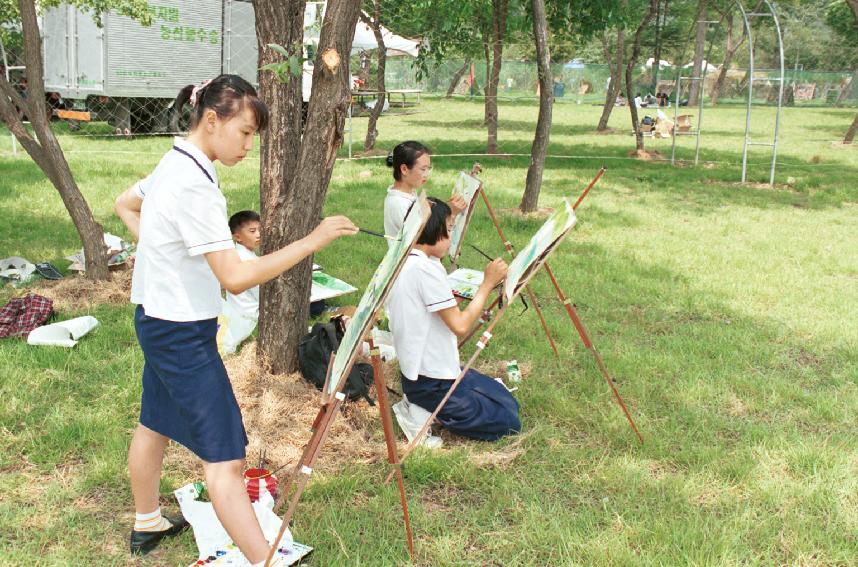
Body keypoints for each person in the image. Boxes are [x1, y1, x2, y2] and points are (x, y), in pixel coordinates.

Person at [114, 74, 357, 564]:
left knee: (153, 422)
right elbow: (236, 278)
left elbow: (126, 203)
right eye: (244, 132)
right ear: (211, 119)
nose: (249, 144)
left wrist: (162, 254)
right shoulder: (194, 186)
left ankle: (147, 523)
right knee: (226, 460)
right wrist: (310, 242)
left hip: (159, 322)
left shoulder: (176, 161)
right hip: (182, 334)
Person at [386, 198, 521, 441]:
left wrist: (473, 291)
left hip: (424, 374)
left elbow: (435, 307)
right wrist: (486, 284)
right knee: (508, 421)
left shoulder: (409, 260)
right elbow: (460, 326)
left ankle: (424, 404)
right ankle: (423, 411)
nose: (451, 236)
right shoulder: (424, 270)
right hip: (430, 382)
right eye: (448, 229)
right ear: (432, 231)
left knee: (505, 399)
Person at [383, 141, 465, 246]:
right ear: (404, 169)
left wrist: (443, 209)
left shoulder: (409, 194)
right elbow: (425, 241)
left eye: (428, 169)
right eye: (423, 169)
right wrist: (450, 213)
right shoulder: (399, 203)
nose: (426, 174)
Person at [220, 210, 261, 355]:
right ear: (238, 237)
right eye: (252, 231)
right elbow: (260, 293)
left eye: (259, 229)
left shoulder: (241, 254)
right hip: (246, 313)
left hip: (238, 307)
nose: (258, 234)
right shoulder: (246, 260)